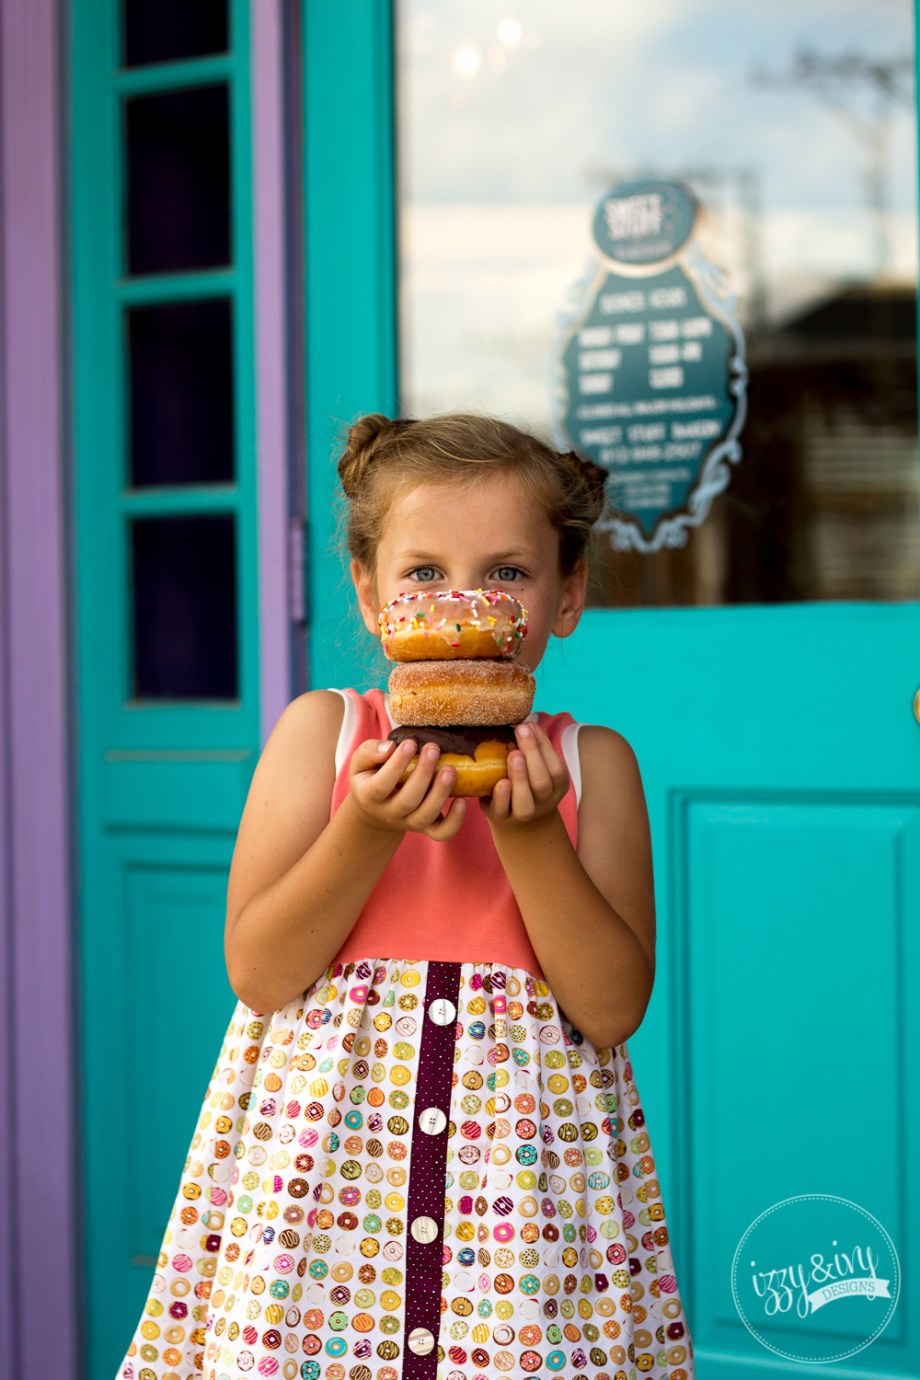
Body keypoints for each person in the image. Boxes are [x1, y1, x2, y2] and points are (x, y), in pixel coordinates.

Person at [116, 412, 694, 1380]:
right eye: (424, 574)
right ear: (370, 595)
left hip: (521, 1242)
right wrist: (366, 827)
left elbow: (609, 1006)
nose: (463, 603)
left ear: (566, 594)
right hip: (319, 1232)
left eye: (505, 573)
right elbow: (259, 973)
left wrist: (524, 834)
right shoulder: (324, 739)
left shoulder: (592, 768)